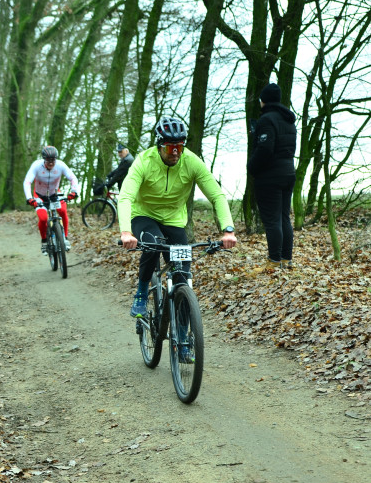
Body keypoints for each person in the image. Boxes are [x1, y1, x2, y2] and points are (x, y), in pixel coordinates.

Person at [118, 115, 237, 319]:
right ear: (159, 145)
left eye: (179, 147)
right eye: (170, 147)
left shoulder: (191, 161)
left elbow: (216, 195)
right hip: (144, 215)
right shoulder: (143, 161)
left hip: (174, 220)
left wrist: (228, 230)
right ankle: (141, 292)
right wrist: (126, 232)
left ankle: (182, 337)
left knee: (182, 277)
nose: (175, 152)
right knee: (152, 243)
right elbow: (126, 196)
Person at [247, 83, 297, 269]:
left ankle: (274, 262)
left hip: (270, 177)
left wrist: (251, 167)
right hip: (288, 172)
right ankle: (286, 259)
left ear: (264, 100)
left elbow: (265, 148)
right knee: (284, 217)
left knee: (272, 220)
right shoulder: (288, 120)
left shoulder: (267, 120)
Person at [23, 146, 79, 254]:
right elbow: (27, 182)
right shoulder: (36, 165)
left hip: (54, 194)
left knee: (62, 211)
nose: (51, 163)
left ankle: (65, 238)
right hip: (39, 195)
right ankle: (44, 242)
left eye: (53, 160)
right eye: (48, 160)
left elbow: (73, 178)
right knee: (43, 219)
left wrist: (74, 191)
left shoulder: (60, 165)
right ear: (44, 159)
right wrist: (29, 198)